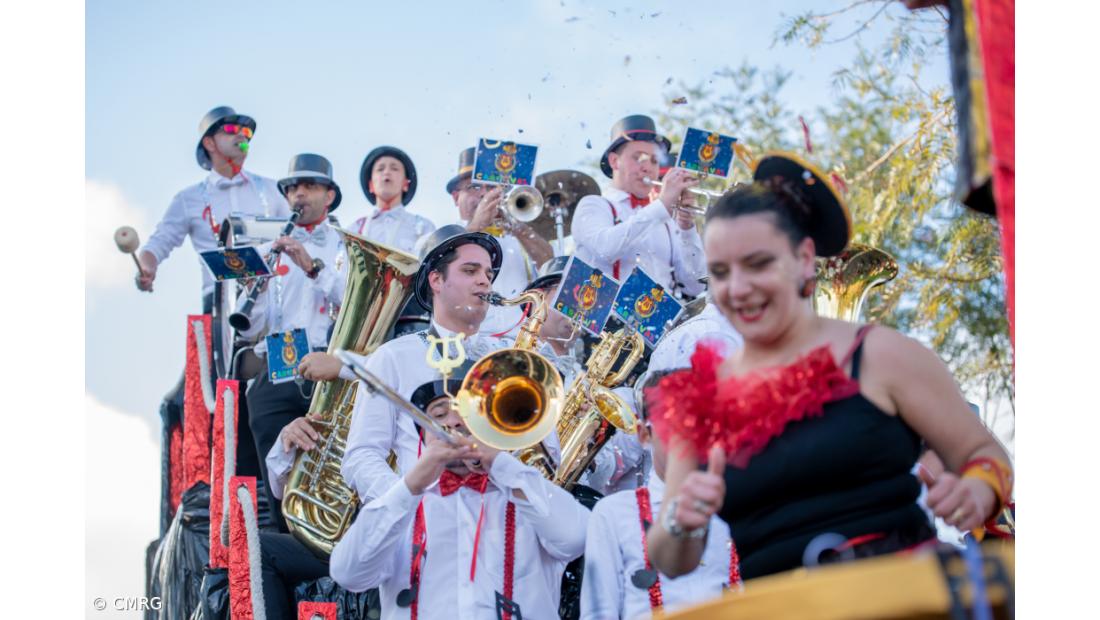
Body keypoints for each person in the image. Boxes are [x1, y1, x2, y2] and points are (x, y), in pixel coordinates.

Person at [643, 153, 1014, 581]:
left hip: (900, 601)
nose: (739, 288)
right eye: (721, 272)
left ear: (803, 259)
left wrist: (977, 491)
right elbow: (669, 559)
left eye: (758, 263)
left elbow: (984, 454)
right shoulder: (701, 398)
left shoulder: (882, 355)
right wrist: (681, 522)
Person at [329, 376, 590, 620]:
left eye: (467, 412)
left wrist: (501, 463)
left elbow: (576, 538)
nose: (453, 422)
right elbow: (348, 573)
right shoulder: (400, 502)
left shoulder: (527, 491)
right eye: (439, 415)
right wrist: (411, 485)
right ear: (424, 437)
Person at [296, 226, 507, 503]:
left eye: (488, 274)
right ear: (436, 280)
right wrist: (407, 501)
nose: (485, 281)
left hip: (501, 521)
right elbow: (362, 456)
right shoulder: (394, 356)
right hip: (424, 525)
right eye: (470, 271)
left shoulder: (510, 357)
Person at [237, 153, 347, 530]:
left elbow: (352, 301)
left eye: (309, 186)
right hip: (276, 366)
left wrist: (311, 266)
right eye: (293, 188)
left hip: (325, 365)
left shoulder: (344, 245)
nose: (299, 194)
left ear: (329, 196)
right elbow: (248, 328)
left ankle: (325, 542)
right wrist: (254, 287)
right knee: (275, 457)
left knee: (325, 458)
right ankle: (284, 543)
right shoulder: (270, 245)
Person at [581, 370, 737, 620]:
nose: (689, 439)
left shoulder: (737, 503)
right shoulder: (613, 514)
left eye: (700, 424)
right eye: (674, 425)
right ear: (644, 434)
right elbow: (598, 614)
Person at [136, 105, 290, 304]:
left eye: (246, 132)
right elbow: (159, 242)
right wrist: (146, 268)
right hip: (219, 304)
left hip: (271, 299)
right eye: (230, 130)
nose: (242, 136)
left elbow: (298, 236)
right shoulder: (188, 199)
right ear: (209, 143)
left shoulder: (273, 189)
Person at [571, 115, 705, 299]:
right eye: (639, 158)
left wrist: (686, 226)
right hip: (608, 324)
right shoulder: (594, 205)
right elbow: (605, 249)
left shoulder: (666, 221)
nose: (648, 168)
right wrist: (662, 205)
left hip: (666, 325)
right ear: (614, 161)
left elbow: (695, 286)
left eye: (654, 161)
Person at [446, 146, 554, 338]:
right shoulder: (445, 233)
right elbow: (442, 260)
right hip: (463, 341)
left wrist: (517, 226)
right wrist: (478, 224)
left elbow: (550, 264)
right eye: (475, 187)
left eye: (493, 188)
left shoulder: (518, 239)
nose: (485, 195)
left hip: (517, 343)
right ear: (456, 197)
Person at [350, 146, 436, 255]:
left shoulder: (423, 227)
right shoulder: (355, 229)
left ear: (406, 184)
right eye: (380, 169)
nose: (386, 172)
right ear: (370, 185)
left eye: (394, 168)